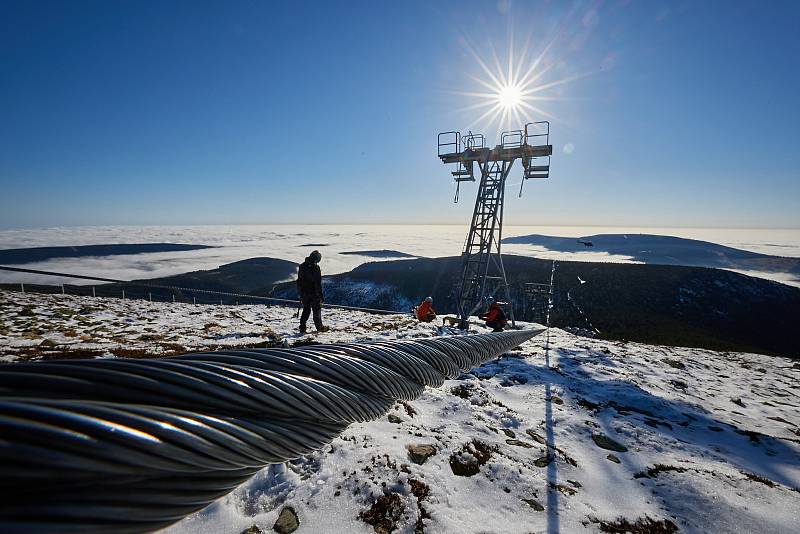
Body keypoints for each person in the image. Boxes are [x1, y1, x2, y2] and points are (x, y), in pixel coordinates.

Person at [296, 250, 328, 333]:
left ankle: (302, 326)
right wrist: (321, 295)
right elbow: (317, 283)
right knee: (316, 310)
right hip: (314, 293)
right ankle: (319, 327)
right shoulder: (316, 268)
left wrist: (301, 292)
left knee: (306, 309)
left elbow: (300, 280)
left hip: (304, 293)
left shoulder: (302, 266)